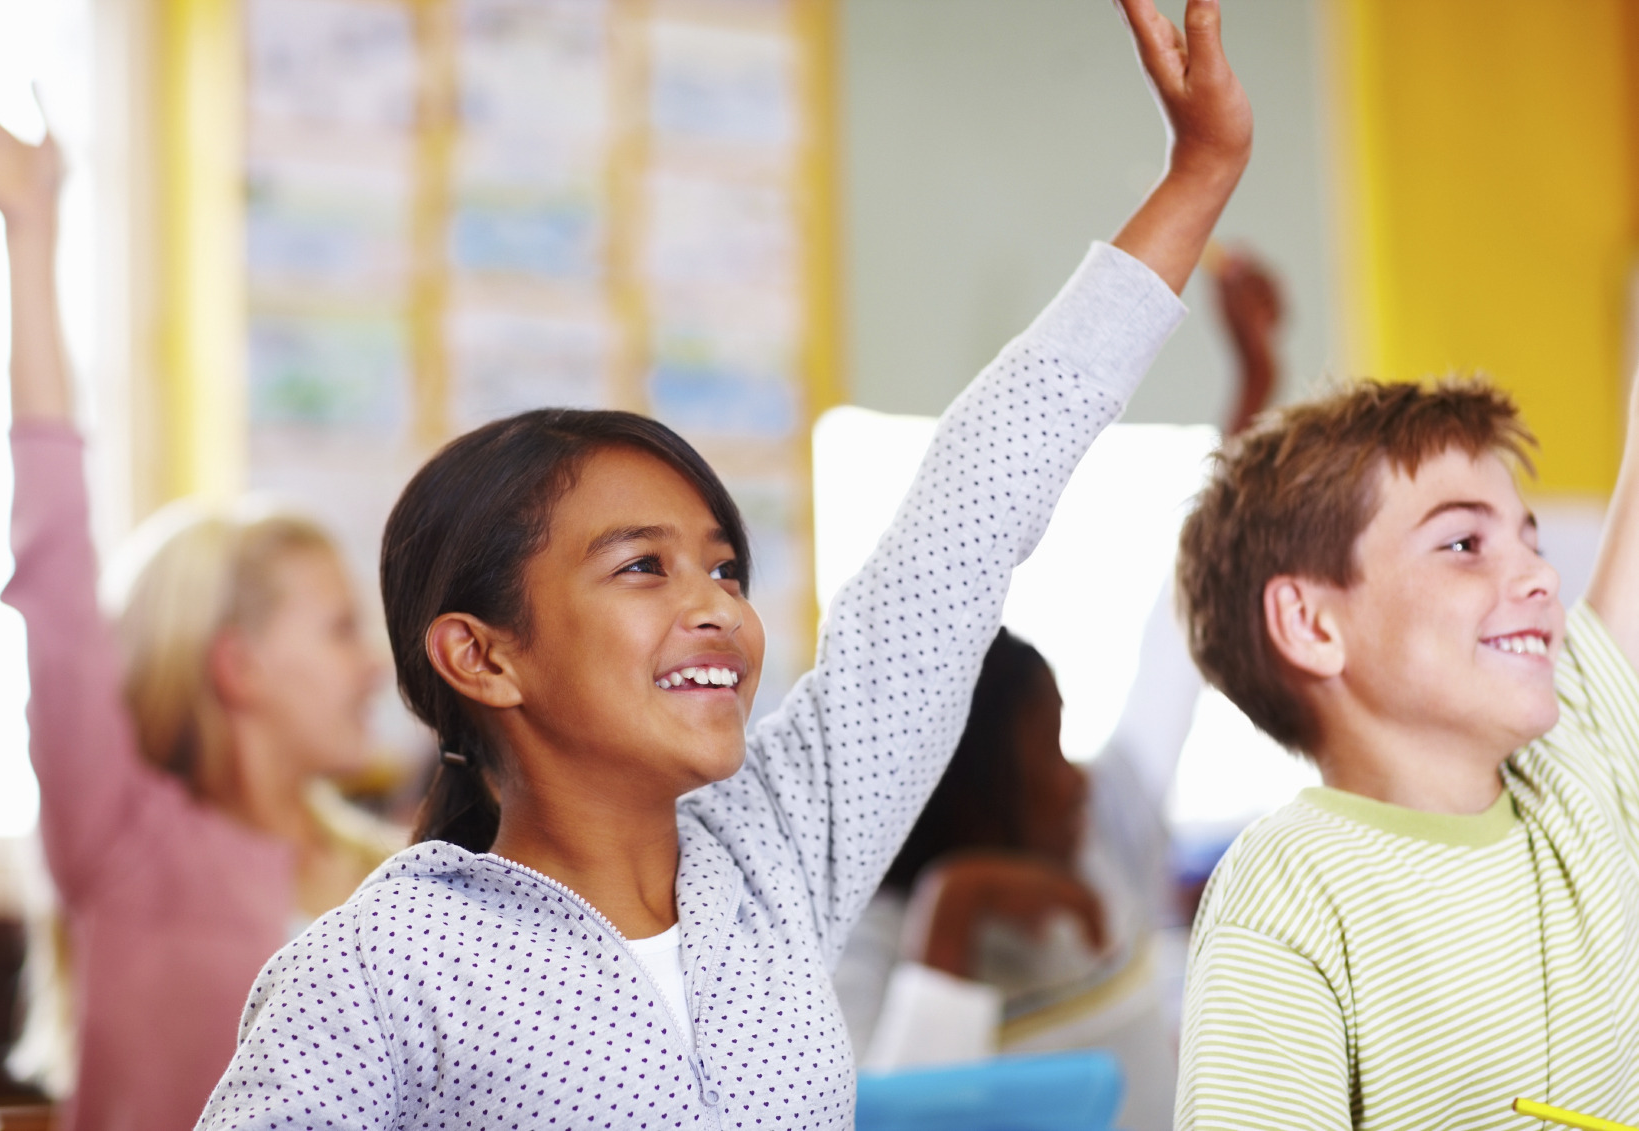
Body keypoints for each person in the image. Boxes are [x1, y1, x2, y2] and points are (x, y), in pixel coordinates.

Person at [194, 1, 1249, 1126]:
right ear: (482, 656)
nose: (716, 609)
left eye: (726, 569)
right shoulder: (381, 966)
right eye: (642, 568)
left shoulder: (775, 857)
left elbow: (967, 517)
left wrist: (1196, 181)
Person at [0, 101, 403, 1131]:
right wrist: (31, 234)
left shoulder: (392, 878)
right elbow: (54, 560)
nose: (372, 666)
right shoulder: (120, 841)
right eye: (335, 630)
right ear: (235, 666)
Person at [831, 252, 1284, 1131]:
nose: (1075, 775)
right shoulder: (865, 938)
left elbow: (1182, 617)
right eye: (1045, 751)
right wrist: (955, 911)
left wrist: (1255, 377)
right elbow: (888, 1117)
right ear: (964, 783)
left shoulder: (1106, 822)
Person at [1171, 364, 1639, 1127]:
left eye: (1531, 539)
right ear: (1312, 624)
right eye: (1464, 542)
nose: (1542, 575)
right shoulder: (1288, 894)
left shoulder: (1576, 762)